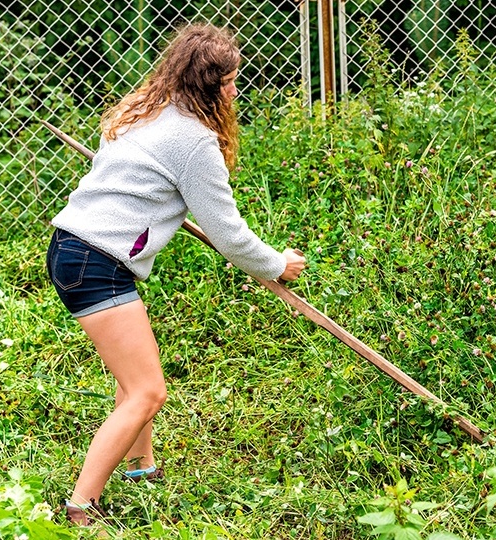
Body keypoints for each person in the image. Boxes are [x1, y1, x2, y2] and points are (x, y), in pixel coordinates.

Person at [45, 23, 306, 525]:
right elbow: (229, 235)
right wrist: (278, 264)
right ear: (208, 86)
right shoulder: (195, 142)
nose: (235, 90)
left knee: (135, 376)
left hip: (74, 248)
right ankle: (81, 508)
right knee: (149, 390)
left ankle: (141, 468)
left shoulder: (143, 110)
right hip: (96, 262)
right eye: (229, 82)